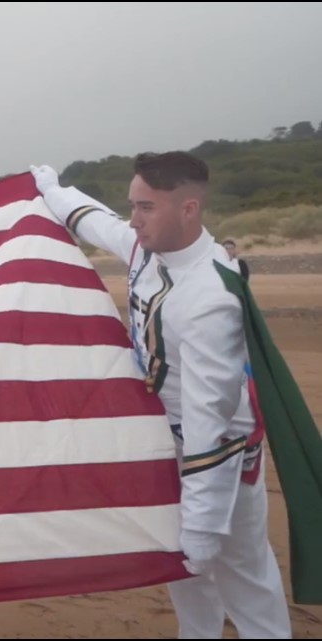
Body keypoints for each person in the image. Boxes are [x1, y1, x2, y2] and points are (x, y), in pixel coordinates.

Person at [28, 154, 292, 638]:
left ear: (188, 208)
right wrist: (51, 188)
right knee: (184, 578)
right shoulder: (147, 249)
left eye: (146, 207)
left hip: (222, 458)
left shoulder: (210, 297)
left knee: (245, 583)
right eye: (133, 205)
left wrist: (203, 524)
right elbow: (98, 223)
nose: (134, 219)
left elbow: (208, 420)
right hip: (166, 443)